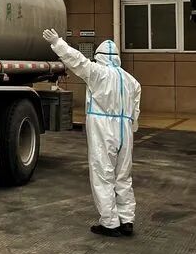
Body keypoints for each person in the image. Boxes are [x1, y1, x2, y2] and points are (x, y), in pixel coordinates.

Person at [42, 29, 141, 238]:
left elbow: (76, 60)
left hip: (103, 128)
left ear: (100, 56)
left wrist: (57, 43)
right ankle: (127, 220)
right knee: (123, 176)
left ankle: (110, 223)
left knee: (103, 174)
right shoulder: (132, 81)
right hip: (125, 130)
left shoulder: (98, 73)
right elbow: (135, 109)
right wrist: (132, 127)